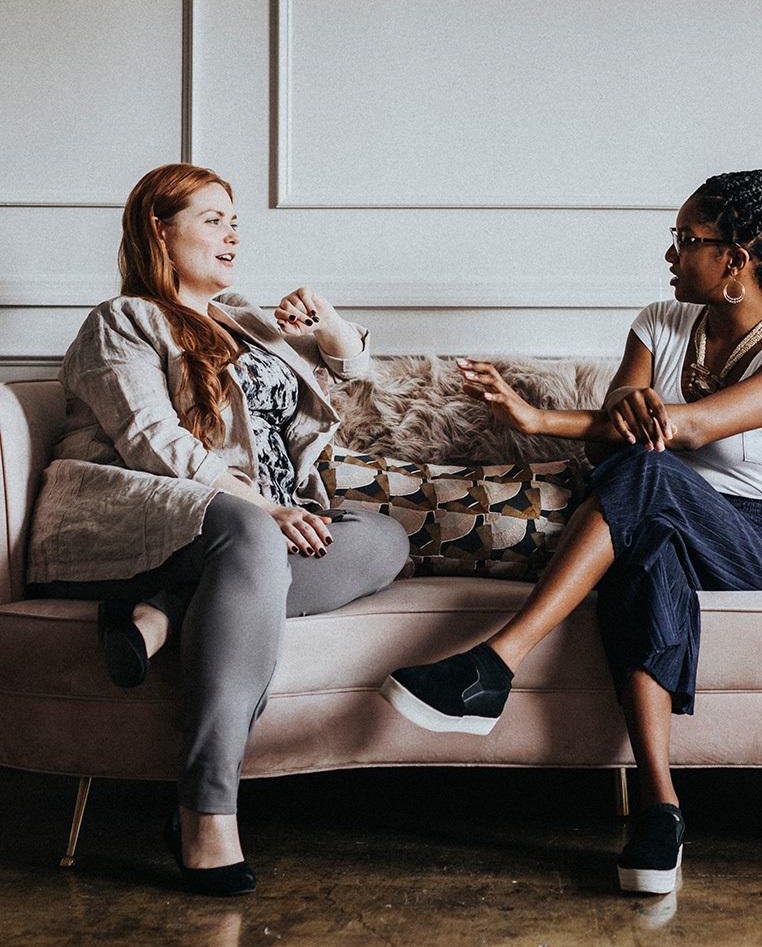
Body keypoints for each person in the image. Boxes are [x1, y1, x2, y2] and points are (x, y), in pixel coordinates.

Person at [26, 163, 409, 896]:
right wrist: (264, 510)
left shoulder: (244, 319)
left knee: (382, 538)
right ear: (158, 232)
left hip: (253, 529)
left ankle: (166, 607)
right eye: (212, 218)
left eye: (236, 219)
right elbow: (153, 442)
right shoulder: (123, 320)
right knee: (248, 531)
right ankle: (206, 809)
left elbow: (356, 377)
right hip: (146, 513)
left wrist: (328, 326)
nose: (232, 232)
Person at [381, 170, 762, 895]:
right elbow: (623, 414)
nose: (672, 254)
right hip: (667, 524)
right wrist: (598, 411)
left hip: (751, 535)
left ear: (736, 260)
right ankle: (660, 808)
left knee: (647, 470)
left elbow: (684, 427)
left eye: (689, 241)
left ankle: (494, 662)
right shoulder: (660, 320)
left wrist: (540, 419)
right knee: (648, 552)